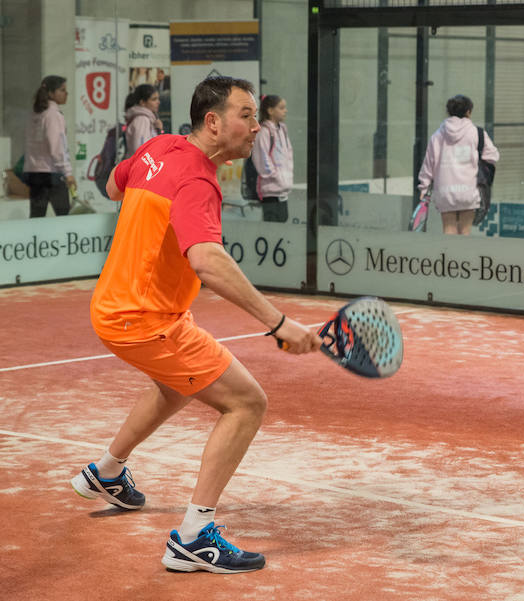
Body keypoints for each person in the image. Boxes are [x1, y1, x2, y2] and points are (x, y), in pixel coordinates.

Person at [69, 76, 321, 573]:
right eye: (246, 116)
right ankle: (192, 537)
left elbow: (112, 184)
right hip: (145, 319)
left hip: (119, 307)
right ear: (213, 121)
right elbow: (207, 259)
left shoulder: (158, 147)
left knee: (177, 384)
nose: (255, 127)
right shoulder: (199, 179)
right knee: (247, 402)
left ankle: (105, 472)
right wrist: (279, 323)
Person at [417, 94, 499, 235]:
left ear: (449, 112)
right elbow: (493, 156)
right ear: (468, 112)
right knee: (465, 231)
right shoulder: (477, 133)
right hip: (469, 190)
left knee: (448, 229)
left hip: (445, 191)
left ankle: (449, 257)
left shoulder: (437, 135)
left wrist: (423, 188)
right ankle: (463, 257)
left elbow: (428, 164)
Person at [23, 75, 74, 217]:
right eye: (62, 90)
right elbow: (57, 146)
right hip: (52, 173)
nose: (66, 94)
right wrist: (67, 172)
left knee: (37, 217)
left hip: (34, 172)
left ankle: (35, 240)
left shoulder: (34, 113)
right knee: (64, 216)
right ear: (51, 93)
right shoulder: (53, 115)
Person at [251, 94, 293, 223]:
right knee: (272, 227)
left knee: (282, 222)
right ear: (270, 111)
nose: (285, 110)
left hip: (283, 190)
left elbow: (288, 156)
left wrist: (286, 180)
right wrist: (277, 177)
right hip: (270, 191)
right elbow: (262, 159)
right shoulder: (264, 131)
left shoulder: (282, 129)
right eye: (281, 108)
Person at [124, 83, 163, 157]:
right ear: (142, 102)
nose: (158, 102)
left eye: (158, 98)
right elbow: (141, 149)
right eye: (154, 99)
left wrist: (159, 130)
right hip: (143, 167)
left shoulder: (147, 119)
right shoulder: (142, 119)